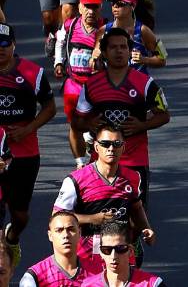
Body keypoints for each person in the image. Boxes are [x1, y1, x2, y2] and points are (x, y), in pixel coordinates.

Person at [74, 27, 171, 207]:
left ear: (129, 51)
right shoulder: (91, 85)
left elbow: (164, 115)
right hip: (100, 162)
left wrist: (142, 126)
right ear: (103, 52)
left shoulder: (146, 83)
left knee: (135, 217)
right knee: (100, 217)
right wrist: (89, 124)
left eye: (123, 47)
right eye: (113, 47)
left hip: (135, 161)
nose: (119, 51)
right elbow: (77, 122)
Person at [52, 123, 155, 265]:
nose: (111, 149)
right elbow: (57, 216)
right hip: (86, 255)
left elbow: (137, 207)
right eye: (105, 144)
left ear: (123, 147)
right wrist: (92, 218)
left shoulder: (133, 177)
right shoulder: (76, 180)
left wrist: (146, 228)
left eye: (116, 144)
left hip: (120, 251)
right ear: (96, 147)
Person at [0, 22, 56, 267]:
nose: (0, 49)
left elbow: (50, 107)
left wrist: (28, 129)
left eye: (4, 44)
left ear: (13, 45)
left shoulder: (32, 73)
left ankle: (12, 237)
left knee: (20, 215)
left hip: (25, 152)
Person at [54, 0, 105, 164]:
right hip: (73, 84)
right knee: (75, 125)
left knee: (98, 125)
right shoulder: (70, 25)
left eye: (95, 7)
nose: (91, 11)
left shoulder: (106, 29)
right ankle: (80, 163)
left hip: (96, 87)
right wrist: (58, 62)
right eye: (87, 7)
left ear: (100, 8)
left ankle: (96, 156)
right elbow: (60, 42)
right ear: (80, 7)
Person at [91, 0, 166, 74]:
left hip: (137, 84)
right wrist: (95, 59)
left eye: (120, 3)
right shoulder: (103, 30)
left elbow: (162, 59)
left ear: (132, 6)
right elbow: (94, 65)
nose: (115, 6)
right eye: (113, 3)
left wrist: (144, 59)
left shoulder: (143, 30)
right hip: (113, 84)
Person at [19, 211, 102, 287]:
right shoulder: (35, 276)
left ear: (79, 233)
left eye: (71, 229)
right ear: (50, 235)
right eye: (59, 230)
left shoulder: (98, 271)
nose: (66, 235)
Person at [82, 221, 165, 286]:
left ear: (131, 251)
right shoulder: (87, 285)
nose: (113, 256)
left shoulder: (152, 284)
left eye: (120, 249)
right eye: (107, 250)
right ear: (101, 253)